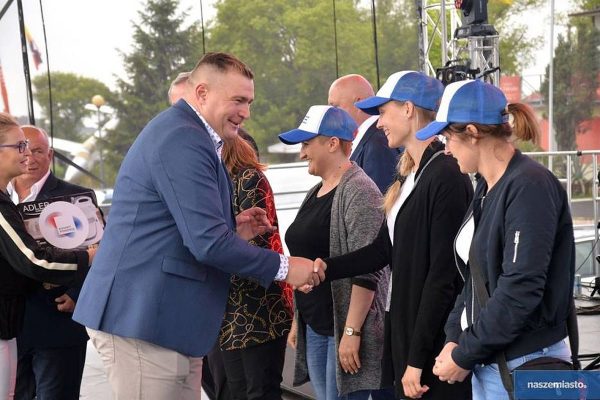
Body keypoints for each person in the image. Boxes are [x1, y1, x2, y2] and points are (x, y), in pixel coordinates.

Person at [72, 52, 323, 400]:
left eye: (249, 102)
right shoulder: (183, 138)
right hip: (143, 320)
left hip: (161, 321)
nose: (246, 112)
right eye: (238, 100)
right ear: (202, 93)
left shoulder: (190, 135)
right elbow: (207, 244)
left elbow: (184, 230)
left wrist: (234, 230)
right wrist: (286, 268)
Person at [314, 71, 473, 399]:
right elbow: (381, 251)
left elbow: (443, 277)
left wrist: (417, 358)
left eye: (383, 112)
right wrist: (323, 268)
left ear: (409, 109)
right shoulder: (412, 174)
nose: (379, 123)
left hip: (432, 348)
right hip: (405, 333)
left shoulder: (446, 174)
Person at [421, 80, 574, 399]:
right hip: (490, 359)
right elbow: (474, 279)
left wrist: (464, 352)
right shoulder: (485, 187)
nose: (446, 149)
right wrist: (455, 337)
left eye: (447, 137)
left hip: (526, 362)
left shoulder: (529, 186)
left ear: (472, 133)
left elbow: (520, 288)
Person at [281, 105, 390, 400]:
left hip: (342, 328)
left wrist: (352, 331)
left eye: (306, 144)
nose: (302, 153)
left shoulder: (360, 191)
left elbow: (369, 268)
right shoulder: (316, 191)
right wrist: (299, 320)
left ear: (332, 143)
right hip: (317, 326)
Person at [0, 112, 93, 400]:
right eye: (19, 146)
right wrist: (89, 257)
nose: (26, 154)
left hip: (53, 324)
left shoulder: (77, 196)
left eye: (34, 149)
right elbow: (33, 260)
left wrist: (77, 291)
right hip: (11, 324)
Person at [218, 132, 293, 400]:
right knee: (236, 391)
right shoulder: (218, 182)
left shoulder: (248, 178)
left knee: (260, 391)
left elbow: (255, 244)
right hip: (230, 310)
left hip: (258, 308)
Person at [328, 74, 400, 193]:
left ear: (359, 103)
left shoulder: (377, 145)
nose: (331, 114)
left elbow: (379, 200)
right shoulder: (373, 140)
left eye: (335, 107)